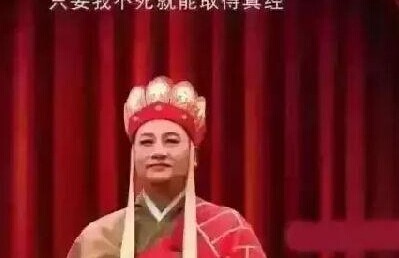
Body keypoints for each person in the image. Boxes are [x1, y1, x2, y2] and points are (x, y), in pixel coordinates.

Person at [67, 76, 266, 258]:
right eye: (146, 142)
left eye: (171, 141)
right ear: (133, 156)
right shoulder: (97, 238)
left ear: (194, 156)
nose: (158, 152)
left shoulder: (227, 230)